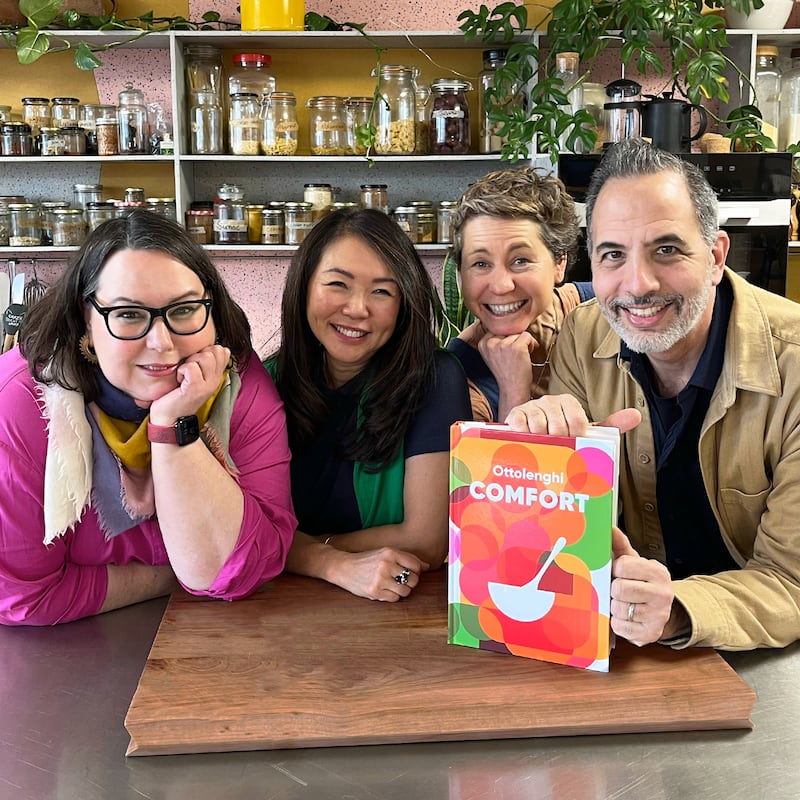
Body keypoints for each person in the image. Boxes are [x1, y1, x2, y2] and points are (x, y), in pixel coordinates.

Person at [506, 138, 800, 651]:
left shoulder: (793, 368)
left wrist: (680, 610)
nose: (637, 285)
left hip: (759, 654)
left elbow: (791, 581)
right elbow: (555, 535)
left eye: (666, 249)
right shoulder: (582, 334)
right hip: (618, 645)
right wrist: (540, 450)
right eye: (613, 255)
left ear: (714, 256)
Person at [0, 210, 296, 626]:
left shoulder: (237, 381)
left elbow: (254, 564)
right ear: (87, 319)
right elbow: (21, 595)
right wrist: (175, 572)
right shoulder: (20, 403)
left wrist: (175, 424)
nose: (162, 343)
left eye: (185, 309)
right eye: (128, 314)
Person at [266, 207, 471, 602]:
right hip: (274, 607)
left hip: (394, 611)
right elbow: (242, 529)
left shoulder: (434, 379)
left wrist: (295, 547)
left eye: (381, 291)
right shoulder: (267, 383)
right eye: (338, 284)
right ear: (304, 285)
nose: (358, 308)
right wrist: (328, 562)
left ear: (404, 302)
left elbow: (427, 540)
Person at [446, 166, 593, 422]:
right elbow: (493, 462)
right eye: (480, 264)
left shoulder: (602, 308)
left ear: (559, 263)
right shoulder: (456, 378)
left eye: (521, 260)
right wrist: (513, 391)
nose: (501, 286)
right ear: (460, 274)